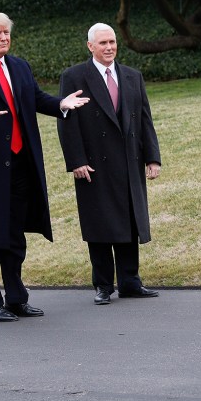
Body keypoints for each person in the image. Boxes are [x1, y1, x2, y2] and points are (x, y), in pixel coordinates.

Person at [0, 12, 90, 322]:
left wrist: (61, 104)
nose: (4, 38)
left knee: (15, 233)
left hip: (20, 163)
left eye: (7, 33)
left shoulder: (19, 66)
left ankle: (16, 299)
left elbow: (35, 98)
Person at [57, 23, 162, 305]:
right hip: (93, 164)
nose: (109, 47)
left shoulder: (132, 76)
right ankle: (103, 285)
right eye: (102, 43)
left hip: (129, 161)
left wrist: (152, 157)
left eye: (112, 42)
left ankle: (130, 282)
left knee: (129, 222)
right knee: (100, 225)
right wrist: (76, 160)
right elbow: (66, 122)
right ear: (90, 46)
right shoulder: (74, 77)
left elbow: (144, 119)